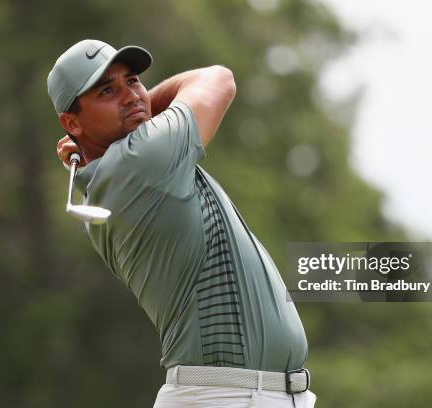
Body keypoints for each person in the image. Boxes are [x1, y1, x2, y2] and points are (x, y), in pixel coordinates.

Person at [47, 39, 317, 408]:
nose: (131, 96)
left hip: (243, 395)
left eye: (133, 81)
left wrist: (122, 115)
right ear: (71, 123)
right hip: (226, 397)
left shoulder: (120, 170)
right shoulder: (140, 163)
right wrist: (144, 107)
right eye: (107, 90)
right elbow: (219, 79)